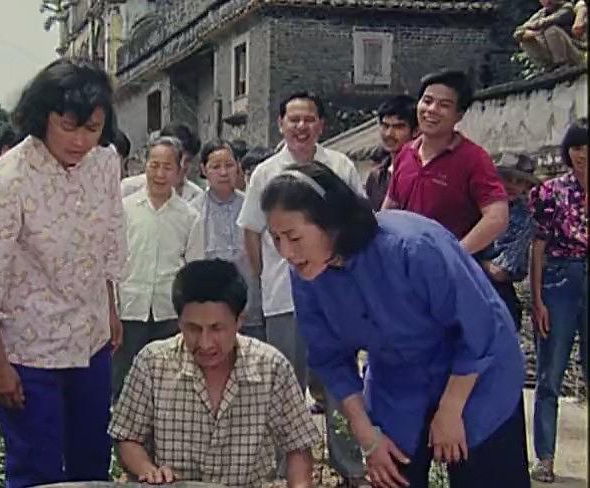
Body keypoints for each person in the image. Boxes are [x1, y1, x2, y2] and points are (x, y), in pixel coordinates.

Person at [262, 163, 530, 488]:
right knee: (393, 472)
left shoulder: (412, 247)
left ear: (331, 221)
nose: (286, 252)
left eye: (294, 237)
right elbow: (329, 358)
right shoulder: (306, 274)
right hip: (398, 386)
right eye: (276, 238)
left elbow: (478, 327)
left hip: (477, 378)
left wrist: (451, 409)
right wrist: (368, 436)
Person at [0, 58, 126, 487]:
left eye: (92, 129)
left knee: (92, 462)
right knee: (37, 471)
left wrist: (110, 311)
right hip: (28, 354)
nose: (81, 141)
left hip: (90, 342)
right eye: (68, 127)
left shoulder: (105, 162)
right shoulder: (8, 179)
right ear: (42, 116)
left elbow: (109, 241)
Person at [237, 90, 366, 486]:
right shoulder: (265, 173)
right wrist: (264, 278)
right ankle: (284, 468)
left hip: (336, 292)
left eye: (309, 119)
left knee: (340, 381)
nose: (301, 126)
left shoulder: (340, 166)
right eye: (293, 119)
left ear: (321, 124)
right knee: (283, 382)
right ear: (281, 124)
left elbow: (360, 219)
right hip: (283, 294)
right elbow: (251, 232)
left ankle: (350, 466)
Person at [109, 259, 321, 488]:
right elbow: (127, 436)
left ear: (239, 321)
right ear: (179, 322)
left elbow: (298, 446)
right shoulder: (152, 364)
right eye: (193, 329)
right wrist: (148, 471)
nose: (206, 343)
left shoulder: (272, 368)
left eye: (217, 328)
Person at [383, 69, 508, 258]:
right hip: (405, 262)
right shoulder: (405, 153)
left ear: (459, 115)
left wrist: (454, 254)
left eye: (444, 105)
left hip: (449, 269)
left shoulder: (474, 159)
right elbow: (390, 209)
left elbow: (497, 216)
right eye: (427, 101)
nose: (431, 110)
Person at [113, 136, 199, 400]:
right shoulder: (124, 210)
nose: (160, 174)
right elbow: (111, 262)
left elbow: (194, 270)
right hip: (129, 310)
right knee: (124, 385)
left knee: (167, 388)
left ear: (179, 170)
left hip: (169, 313)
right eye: (154, 165)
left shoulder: (189, 216)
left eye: (167, 167)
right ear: (145, 165)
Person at [528, 118, 587, 483]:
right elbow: (538, 247)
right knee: (550, 373)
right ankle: (545, 457)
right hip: (561, 277)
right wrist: (537, 300)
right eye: (577, 147)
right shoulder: (551, 192)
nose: (583, 155)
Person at [186, 139, 264, 340]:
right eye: (215, 167)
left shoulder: (252, 205)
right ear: (203, 169)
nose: (223, 172)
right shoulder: (192, 210)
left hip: (250, 303)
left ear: (238, 166)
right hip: (209, 304)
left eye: (229, 165)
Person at [479, 152, 540, 331]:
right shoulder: (472, 204)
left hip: (497, 295)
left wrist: (467, 258)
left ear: (526, 186)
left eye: (519, 181)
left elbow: (500, 271)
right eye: (507, 178)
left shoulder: (523, 217)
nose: (512, 185)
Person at [121, 122, 204, 201]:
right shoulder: (130, 189)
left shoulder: (196, 196)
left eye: (188, 161)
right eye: (178, 159)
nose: (182, 165)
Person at [365, 95, 417, 210]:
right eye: (385, 126)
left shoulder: (419, 176)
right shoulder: (376, 176)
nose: (389, 133)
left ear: (415, 131)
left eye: (398, 127)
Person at [514, 0, 584, 70]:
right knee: (525, 39)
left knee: (551, 30)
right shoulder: (541, 13)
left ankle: (562, 64)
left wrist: (532, 28)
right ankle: (547, 67)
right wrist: (524, 32)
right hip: (551, 56)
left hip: (574, 51)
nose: (547, 1)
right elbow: (517, 32)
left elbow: (549, 21)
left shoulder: (567, 8)